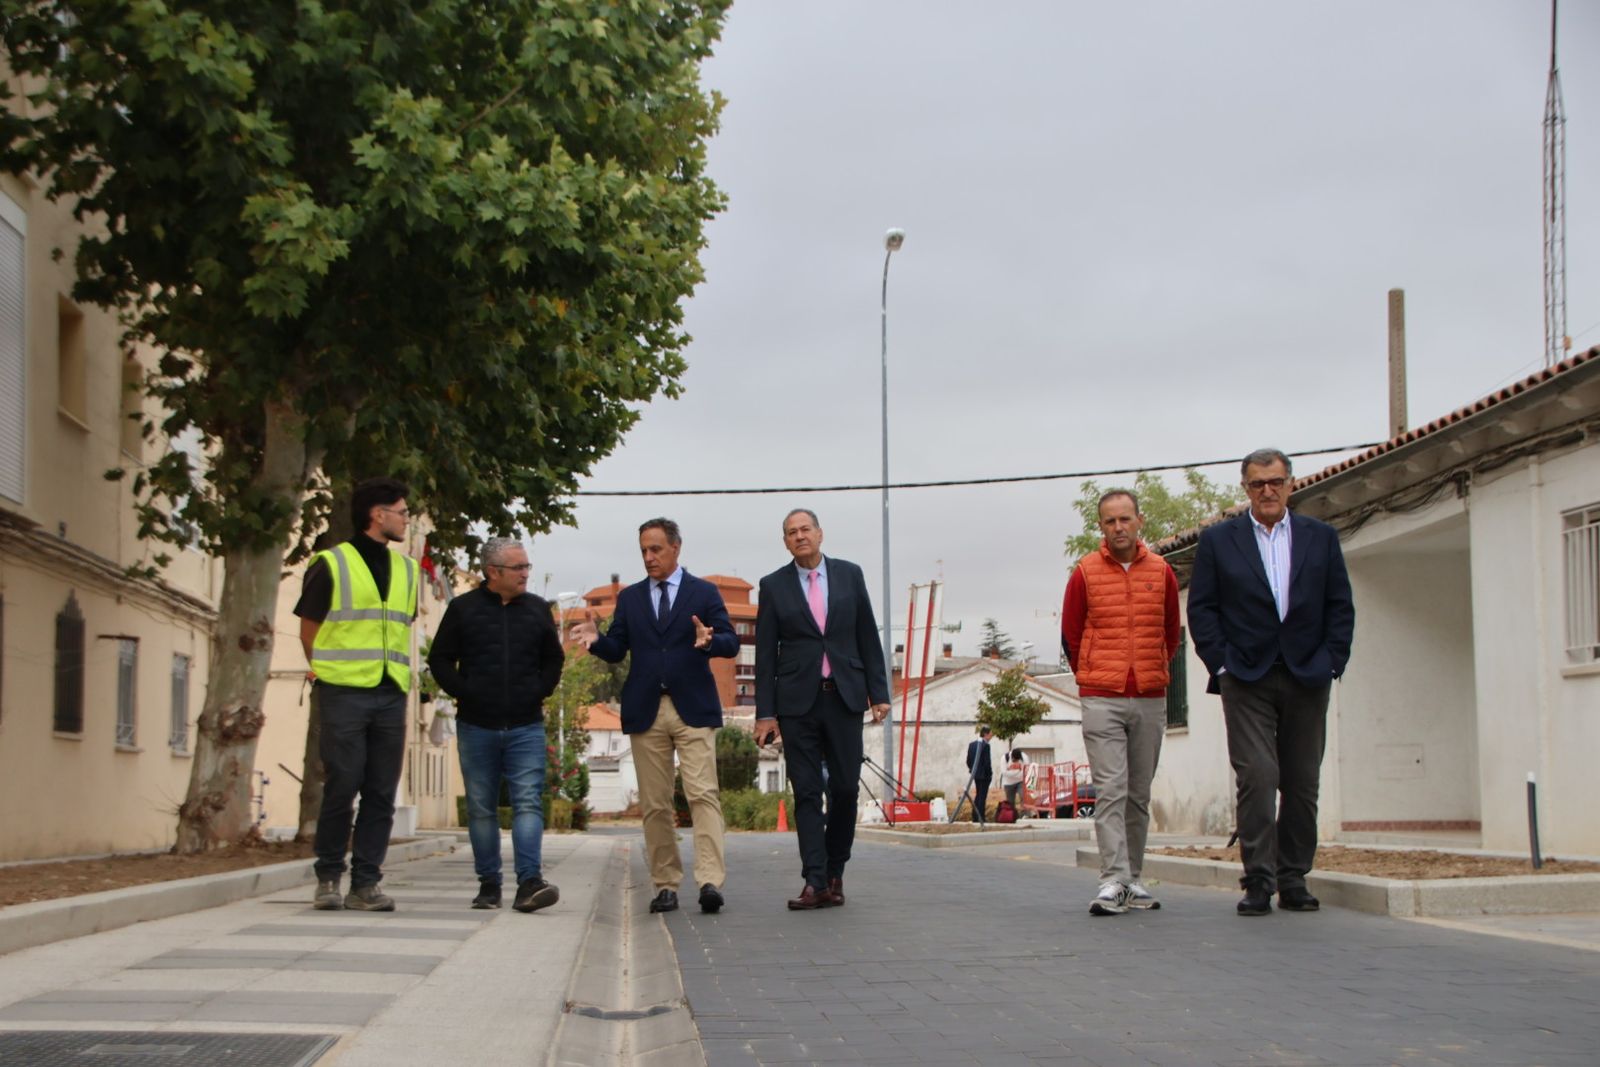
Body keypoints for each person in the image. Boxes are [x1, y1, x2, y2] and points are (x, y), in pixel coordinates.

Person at [1188, 448, 1355, 917]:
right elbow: (1202, 609)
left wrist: (1332, 661)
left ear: (1290, 484)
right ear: (1245, 489)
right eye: (1258, 484)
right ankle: (1258, 879)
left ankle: (1293, 877)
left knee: (1302, 781)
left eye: (1276, 482)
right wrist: (1220, 663)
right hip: (1246, 675)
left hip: (1307, 674)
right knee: (1258, 776)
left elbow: (1339, 605)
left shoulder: (1320, 538)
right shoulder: (1220, 541)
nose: (1268, 491)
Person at [571, 518, 737, 915]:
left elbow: (730, 642)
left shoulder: (704, 592)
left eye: (656, 549)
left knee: (702, 795)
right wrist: (597, 642)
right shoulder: (630, 599)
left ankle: (710, 881)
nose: (649, 557)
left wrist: (710, 639)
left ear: (676, 548)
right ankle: (665, 884)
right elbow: (617, 649)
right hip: (646, 709)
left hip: (693, 709)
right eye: (644, 550)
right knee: (656, 803)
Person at [754, 508, 892, 910]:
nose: (800, 537)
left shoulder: (850, 575)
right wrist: (766, 712)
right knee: (808, 793)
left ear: (820, 534)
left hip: (844, 696)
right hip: (797, 703)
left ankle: (836, 871)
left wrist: (878, 692)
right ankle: (814, 881)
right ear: (785, 542)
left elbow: (867, 633)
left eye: (805, 530)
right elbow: (765, 654)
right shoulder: (773, 586)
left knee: (846, 788)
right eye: (791, 532)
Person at [296, 477, 419, 912]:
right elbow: (308, 630)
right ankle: (328, 876)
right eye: (401, 511)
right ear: (376, 514)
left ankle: (366, 883)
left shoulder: (406, 569)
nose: (406, 518)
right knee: (342, 785)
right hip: (343, 692)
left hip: (390, 692)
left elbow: (399, 628)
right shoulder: (331, 563)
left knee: (382, 792)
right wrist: (326, 672)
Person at [427, 537, 564, 913]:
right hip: (476, 725)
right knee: (481, 807)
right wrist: (464, 692)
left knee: (527, 803)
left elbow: (554, 659)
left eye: (527, 567)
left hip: (526, 726)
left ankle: (529, 883)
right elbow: (440, 660)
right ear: (493, 572)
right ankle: (489, 884)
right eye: (518, 568)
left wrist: (539, 691)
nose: (525, 574)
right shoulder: (462, 609)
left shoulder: (538, 610)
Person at [1062, 489, 1181, 915]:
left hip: (1149, 697)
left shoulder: (1162, 572)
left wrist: (1149, 671)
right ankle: (1112, 879)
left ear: (1139, 521)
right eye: (1110, 521)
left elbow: (1171, 632)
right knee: (1111, 789)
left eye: (1125, 519)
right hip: (1102, 698)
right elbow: (1071, 634)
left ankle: (1133, 879)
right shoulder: (1085, 573)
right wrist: (1094, 675)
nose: (1119, 528)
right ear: (1101, 527)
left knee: (1138, 794)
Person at [965, 726, 995, 824]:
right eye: (990, 734)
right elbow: (987, 762)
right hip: (984, 775)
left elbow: (968, 761)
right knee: (982, 796)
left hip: (975, 775)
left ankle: (975, 816)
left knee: (978, 796)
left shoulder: (972, 745)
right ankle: (980, 817)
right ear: (985, 734)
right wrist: (990, 773)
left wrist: (972, 770)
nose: (991, 736)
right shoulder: (986, 745)